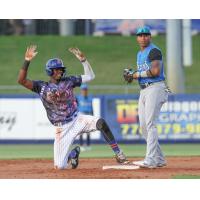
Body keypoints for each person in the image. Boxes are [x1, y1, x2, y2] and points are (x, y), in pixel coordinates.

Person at [18, 45, 129, 170]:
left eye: (61, 69)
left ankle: (119, 153)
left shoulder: (69, 81)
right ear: (50, 71)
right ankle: (73, 154)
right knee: (59, 167)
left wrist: (83, 60)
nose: (60, 71)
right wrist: (27, 60)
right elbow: (21, 80)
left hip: (77, 120)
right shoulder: (41, 86)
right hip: (62, 128)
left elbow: (90, 76)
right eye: (57, 69)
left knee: (101, 122)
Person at [124, 26, 169, 168]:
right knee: (143, 126)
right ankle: (159, 159)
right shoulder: (139, 54)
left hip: (155, 87)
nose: (143, 37)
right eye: (140, 35)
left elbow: (155, 71)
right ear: (137, 38)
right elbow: (142, 72)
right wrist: (132, 74)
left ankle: (150, 160)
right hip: (143, 90)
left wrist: (136, 74)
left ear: (150, 37)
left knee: (150, 124)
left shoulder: (154, 51)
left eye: (146, 35)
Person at [77, 83, 93, 151]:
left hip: (89, 114)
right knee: (81, 131)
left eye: (85, 89)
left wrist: (92, 116)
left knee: (88, 131)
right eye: (83, 89)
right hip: (81, 115)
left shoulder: (90, 98)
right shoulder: (79, 98)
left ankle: (88, 145)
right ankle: (81, 145)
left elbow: (92, 108)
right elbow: (76, 107)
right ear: (81, 90)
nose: (84, 91)